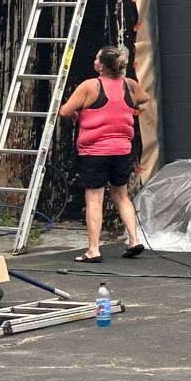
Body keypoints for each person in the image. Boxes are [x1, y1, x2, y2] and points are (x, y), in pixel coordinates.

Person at [58, 46, 150, 263]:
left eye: (97, 58)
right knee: (122, 195)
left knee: (94, 199)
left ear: (101, 66)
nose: (94, 60)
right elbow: (144, 98)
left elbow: (64, 111)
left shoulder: (90, 86)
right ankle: (134, 240)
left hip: (95, 152)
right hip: (122, 150)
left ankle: (93, 250)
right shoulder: (129, 84)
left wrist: (82, 112)